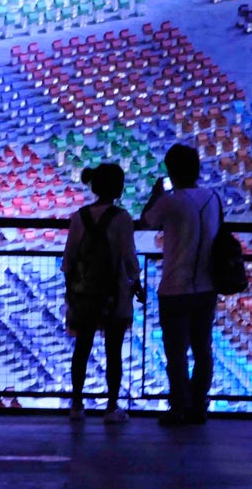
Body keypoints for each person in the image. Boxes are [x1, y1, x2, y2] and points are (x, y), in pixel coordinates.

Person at [140, 144, 220, 426]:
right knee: (203, 349)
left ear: (171, 171)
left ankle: (179, 407)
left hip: (175, 286)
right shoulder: (213, 198)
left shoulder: (171, 201)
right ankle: (199, 405)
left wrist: (156, 194)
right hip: (207, 285)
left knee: (176, 352)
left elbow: (146, 221)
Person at [62, 163, 144, 425]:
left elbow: (69, 258)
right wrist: (136, 282)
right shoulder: (122, 218)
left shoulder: (79, 217)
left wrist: (71, 290)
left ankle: (76, 404)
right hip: (114, 295)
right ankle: (111, 407)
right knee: (113, 352)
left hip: (84, 294)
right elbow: (129, 258)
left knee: (82, 349)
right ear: (117, 188)